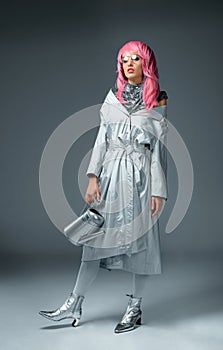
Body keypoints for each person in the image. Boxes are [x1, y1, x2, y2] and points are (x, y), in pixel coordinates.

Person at [39, 40, 168, 334]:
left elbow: (157, 149)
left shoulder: (157, 102)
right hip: (110, 177)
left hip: (140, 180)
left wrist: (159, 190)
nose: (130, 64)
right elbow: (101, 140)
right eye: (124, 60)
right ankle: (74, 303)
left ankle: (134, 308)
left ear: (146, 64)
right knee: (93, 243)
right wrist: (92, 177)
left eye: (136, 59)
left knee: (141, 247)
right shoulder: (112, 99)